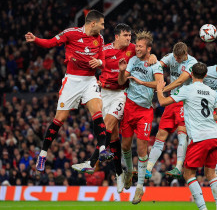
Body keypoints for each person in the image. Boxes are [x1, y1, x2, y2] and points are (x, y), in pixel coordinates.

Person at [71, 24, 156, 193]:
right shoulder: (104, 50)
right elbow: (91, 64)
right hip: (104, 93)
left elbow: (145, 51)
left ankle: (91, 162)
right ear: (117, 37)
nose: (129, 39)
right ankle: (119, 173)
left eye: (130, 36)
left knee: (108, 125)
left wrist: (152, 55)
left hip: (121, 93)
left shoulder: (133, 48)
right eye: (126, 35)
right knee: (113, 135)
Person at [25, 10, 109, 171]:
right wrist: (35, 40)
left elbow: (103, 62)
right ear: (93, 23)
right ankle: (42, 154)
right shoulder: (71, 33)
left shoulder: (100, 39)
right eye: (102, 24)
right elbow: (50, 43)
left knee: (97, 111)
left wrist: (98, 62)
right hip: (72, 81)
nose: (103, 27)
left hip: (90, 80)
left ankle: (103, 150)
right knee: (60, 119)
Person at [156, 62, 217, 210]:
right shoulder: (213, 93)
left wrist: (159, 89)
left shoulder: (187, 90)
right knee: (211, 173)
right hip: (214, 137)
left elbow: (162, 102)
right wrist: (207, 118)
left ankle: (203, 209)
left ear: (191, 74)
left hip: (199, 138)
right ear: (205, 75)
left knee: (188, 174)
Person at [118, 30, 163, 204]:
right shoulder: (132, 60)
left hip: (144, 111)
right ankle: (129, 171)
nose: (137, 48)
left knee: (142, 149)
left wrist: (143, 82)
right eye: (136, 45)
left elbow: (160, 84)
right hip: (129, 107)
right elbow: (123, 81)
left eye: (140, 46)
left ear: (148, 48)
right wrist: (123, 72)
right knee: (125, 145)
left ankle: (139, 187)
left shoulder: (155, 64)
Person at [146, 42, 197, 178]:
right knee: (160, 134)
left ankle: (179, 167)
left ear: (185, 54)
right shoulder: (172, 57)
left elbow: (180, 81)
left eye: (179, 58)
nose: (176, 60)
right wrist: (154, 58)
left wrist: (162, 89)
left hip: (184, 101)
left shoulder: (193, 63)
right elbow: (159, 65)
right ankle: (148, 168)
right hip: (171, 101)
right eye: (175, 57)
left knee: (182, 133)